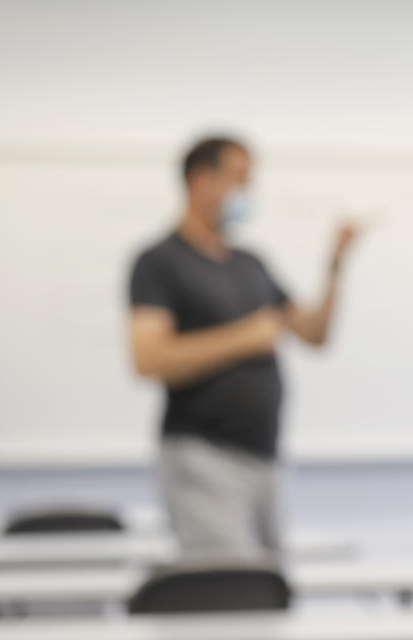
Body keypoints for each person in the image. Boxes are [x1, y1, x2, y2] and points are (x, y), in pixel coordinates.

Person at [128, 136, 356, 557]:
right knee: (230, 591)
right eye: (239, 179)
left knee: (271, 588)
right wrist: (243, 337)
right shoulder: (159, 262)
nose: (247, 192)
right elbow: (149, 358)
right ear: (201, 180)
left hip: (265, 458)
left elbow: (313, 333)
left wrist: (336, 264)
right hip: (203, 457)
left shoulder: (250, 264)